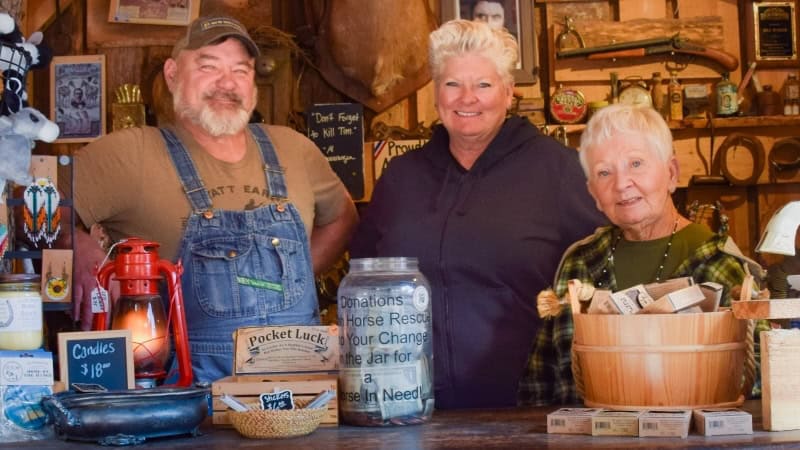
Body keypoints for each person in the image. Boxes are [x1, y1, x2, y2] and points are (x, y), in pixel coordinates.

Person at [72, 16, 358, 383]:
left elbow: (343, 218)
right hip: (188, 399)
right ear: (173, 74)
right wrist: (77, 246)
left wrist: (287, 282)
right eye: (209, 67)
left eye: (241, 70)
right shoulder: (128, 155)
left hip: (300, 391)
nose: (227, 83)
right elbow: (31, 204)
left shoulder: (294, 149)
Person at [348, 19, 606, 409]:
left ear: (508, 93)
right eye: (453, 84)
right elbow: (364, 279)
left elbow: (602, 275)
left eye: (483, 85)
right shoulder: (402, 177)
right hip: (408, 407)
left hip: (529, 409)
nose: (467, 98)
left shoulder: (560, 170)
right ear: (436, 93)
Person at [517, 104, 760, 406]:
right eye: (604, 172)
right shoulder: (579, 263)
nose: (621, 184)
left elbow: (759, 389)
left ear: (671, 174)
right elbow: (539, 386)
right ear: (594, 193)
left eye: (636, 164)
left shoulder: (720, 265)